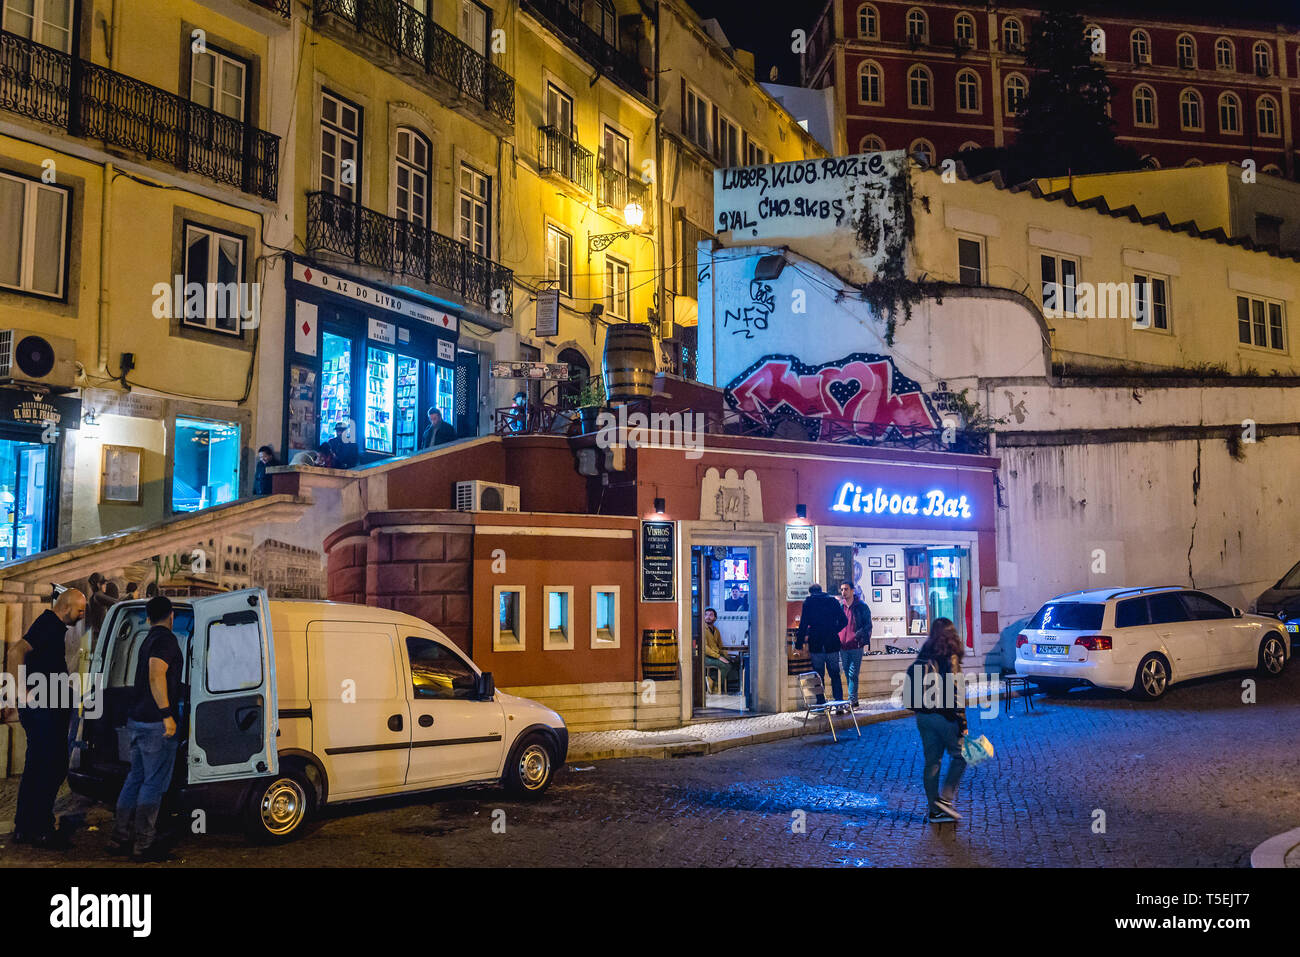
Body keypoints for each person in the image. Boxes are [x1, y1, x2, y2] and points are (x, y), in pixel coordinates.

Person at [6, 588, 87, 849]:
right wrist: (20, 694)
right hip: (44, 711)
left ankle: (25, 827)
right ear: (66, 607)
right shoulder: (48, 624)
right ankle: (40, 828)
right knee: (51, 767)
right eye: (80, 610)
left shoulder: (51, 626)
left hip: (47, 708)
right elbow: (14, 652)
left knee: (37, 768)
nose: (82, 614)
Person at [108, 595, 185, 861]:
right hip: (155, 724)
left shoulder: (146, 639)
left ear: (149, 617)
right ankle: (144, 845)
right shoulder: (166, 640)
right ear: (171, 615)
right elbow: (156, 674)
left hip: (137, 719)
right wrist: (167, 715)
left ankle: (120, 837)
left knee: (135, 779)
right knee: (152, 784)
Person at [905, 617, 969, 824]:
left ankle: (935, 811)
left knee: (932, 762)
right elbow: (955, 691)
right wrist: (962, 723)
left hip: (923, 716)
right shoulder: (950, 656)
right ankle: (946, 800)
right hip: (944, 716)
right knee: (961, 756)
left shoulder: (925, 652)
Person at [794, 583, 848, 704]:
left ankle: (821, 703)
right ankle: (839, 703)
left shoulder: (809, 603)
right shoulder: (832, 601)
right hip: (832, 643)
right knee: (835, 675)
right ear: (821, 590)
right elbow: (844, 620)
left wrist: (798, 645)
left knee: (818, 676)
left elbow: (803, 625)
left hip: (816, 643)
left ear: (811, 592)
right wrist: (834, 629)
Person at [838, 581, 872, 708]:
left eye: (846, 589)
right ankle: (853, 699)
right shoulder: (840, 607)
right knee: (847, 672)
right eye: (841, 590)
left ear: (852, 590)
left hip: (856, 645)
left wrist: (860, 636)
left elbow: (868, 624)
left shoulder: (861, 606)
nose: (843, 592)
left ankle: (852, 699)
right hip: (842, 646)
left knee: (853, 673)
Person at [701, 607, 734, 693]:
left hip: (714, 656)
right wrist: (719, 657)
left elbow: (720, 646)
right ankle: (716, 686)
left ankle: (711, 680)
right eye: (706, 615)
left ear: (715, 618)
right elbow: (705, 648)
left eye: (711, 615)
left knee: (732, 661)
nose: (708, 617)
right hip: (705, 657)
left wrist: (725, 654)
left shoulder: (716, 630)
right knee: (725, 665)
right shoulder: (702, 629)